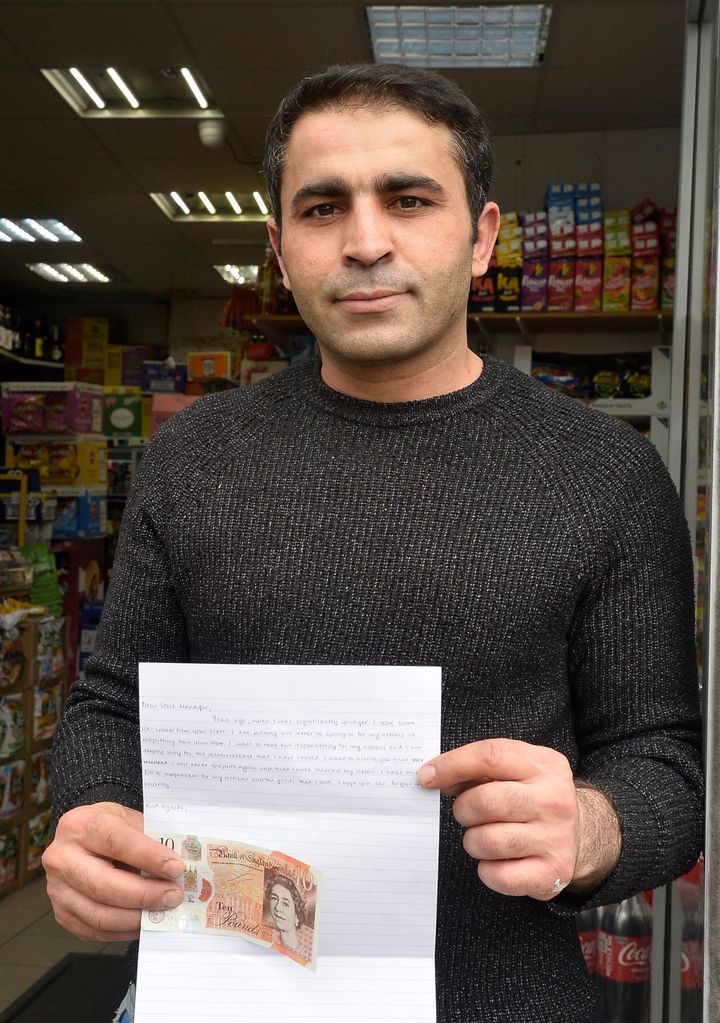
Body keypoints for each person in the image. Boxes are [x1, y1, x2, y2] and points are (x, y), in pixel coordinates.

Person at [43, 64, 703, 1022]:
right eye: (323, 208)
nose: (364, 241)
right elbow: (112, 704)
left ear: (481, 236)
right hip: (223, 989)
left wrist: (596, 827)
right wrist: (92, 814)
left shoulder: (604, 471)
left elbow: (662, 759)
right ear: (280, 250)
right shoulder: (193, 457)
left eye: (409, 199)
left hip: (500, 997)